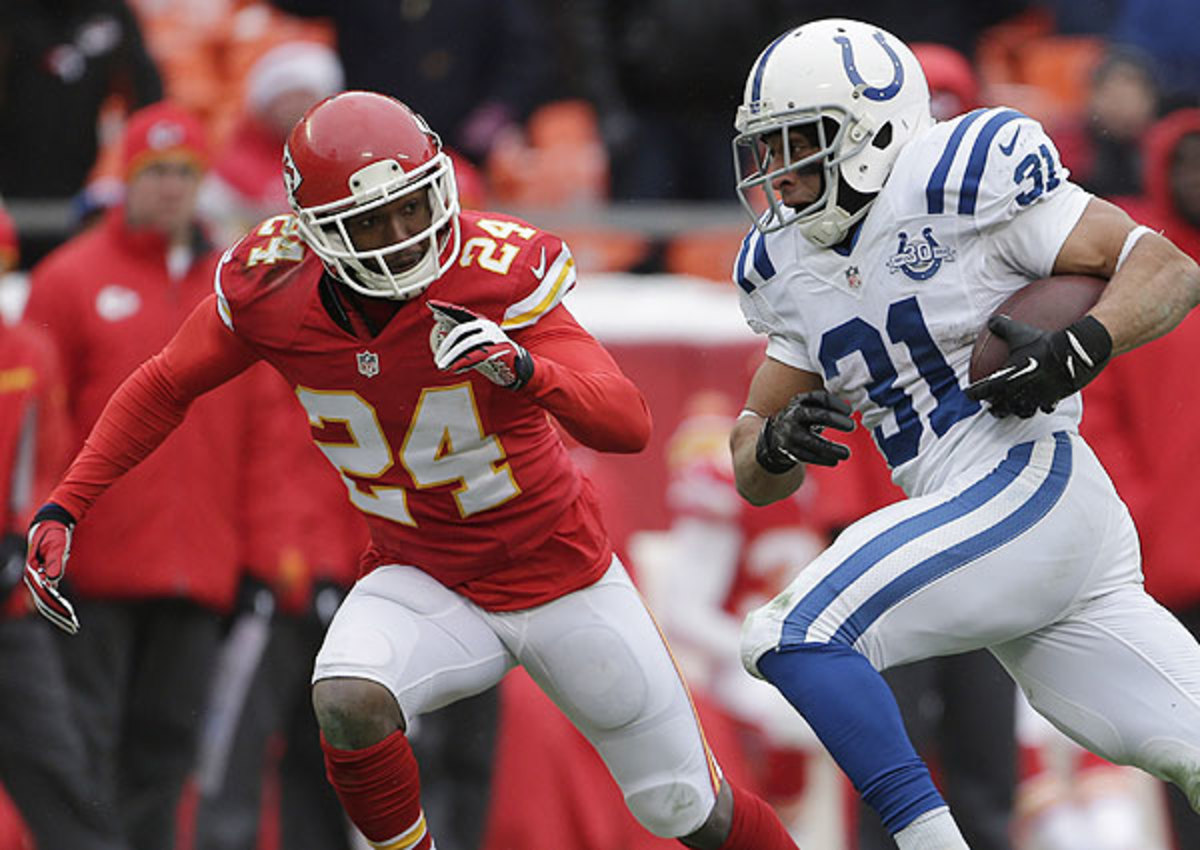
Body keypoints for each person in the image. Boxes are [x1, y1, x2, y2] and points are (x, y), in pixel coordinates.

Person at [24, 90, 807, 850]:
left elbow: (628, 422)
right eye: (370, 220)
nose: (402, 235)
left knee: (689, 810)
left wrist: (526, 370)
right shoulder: (272, 286)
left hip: (562, 578)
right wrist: (67, 503)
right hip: (424, 579)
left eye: (411, 206)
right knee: (347, 698)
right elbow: (165, 384)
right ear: (315, 231)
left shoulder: (493, 272)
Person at [724, 17, 1200, 850]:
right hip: (995, 523)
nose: (781, 170)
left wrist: (1084, 343)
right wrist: (772, 444)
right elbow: (751, 463)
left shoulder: (959, 181)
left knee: (793, 634)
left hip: (1028, 481)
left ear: (872, 132)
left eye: (803, 141)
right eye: (769, 146)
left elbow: (1167, 268)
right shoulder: (784, 263)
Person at [21, 101, 281, 850]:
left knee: (167, 758)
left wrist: (253, 555)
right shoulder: (69, 279)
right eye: (155, 170)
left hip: (198, 571)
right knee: (82, 754)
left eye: (184, 171)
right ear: (128, 178)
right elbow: (38, 425)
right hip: (94, 569)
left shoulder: (235, 290)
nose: (170, 187)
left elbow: (261, 437)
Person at [1079, 107, 1200, 850]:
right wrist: (1140, 518)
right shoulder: (1135, 282)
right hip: (1171, 570)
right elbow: (1097, 415)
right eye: (1184, 162)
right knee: (1188, 752)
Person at [0, 206, 129, 850]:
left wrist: (20, 543)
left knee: (58, 770)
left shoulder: (27, 353)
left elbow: (48, 460)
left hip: (8, 605)